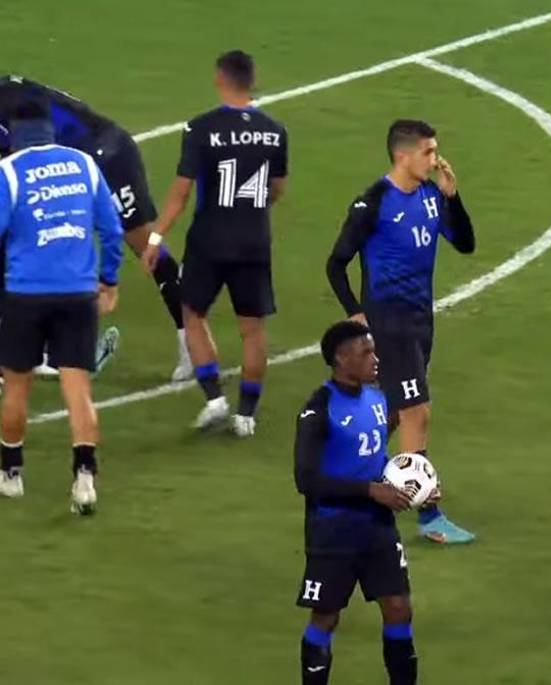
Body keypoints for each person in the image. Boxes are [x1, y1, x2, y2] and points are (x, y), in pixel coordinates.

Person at [326, 119, 475, 545]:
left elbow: (465, 243)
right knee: (417, 412)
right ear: (402, 156)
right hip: (387, 321)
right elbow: (336, 263)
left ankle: (345, 479)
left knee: (392, 412)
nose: (436, 159)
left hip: (419, 319)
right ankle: (428, 514)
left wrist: (454, 197)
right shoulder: (372, 203)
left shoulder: (431, 196)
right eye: (428, 152)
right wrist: (355, 313)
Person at [0, 74, 189, 380]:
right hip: (70, 164)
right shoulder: (10, 89)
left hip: (105, 158)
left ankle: (190, 339)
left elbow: (17, 161)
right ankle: (42, 346)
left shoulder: (7, 102)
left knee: (146, 246)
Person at [142, 50, 289, 437]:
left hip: (210, 238)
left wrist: (155, 238)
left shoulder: (201, 128)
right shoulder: (276, 130)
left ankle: (214, 399)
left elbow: (180, 194)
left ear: (220, 79)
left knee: (192, 313)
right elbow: (277, 188)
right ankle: (246, 416)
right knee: (253, 330)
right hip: (255, 239)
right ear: (251, 80)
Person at [0, 101, 123, 513]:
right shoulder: (84, 166)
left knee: (17, 387)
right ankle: (85, 478)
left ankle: (11, 473)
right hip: (77, 293)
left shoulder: (9, 171)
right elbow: (111, 227)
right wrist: (109, 278)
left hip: (25, 294)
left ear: (16, 133)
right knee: (78, 390)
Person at [294, 320, 432, 684]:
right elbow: (306, 480)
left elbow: (370, 455)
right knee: (326, 617)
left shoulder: (377, 399)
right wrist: (371, 491)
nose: (375, 358)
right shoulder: (318, 408)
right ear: (341, 359)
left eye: (374, 350)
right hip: (333, 530)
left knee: (399, 608)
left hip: (377, 528)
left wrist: (414, 482)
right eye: (366, 352)